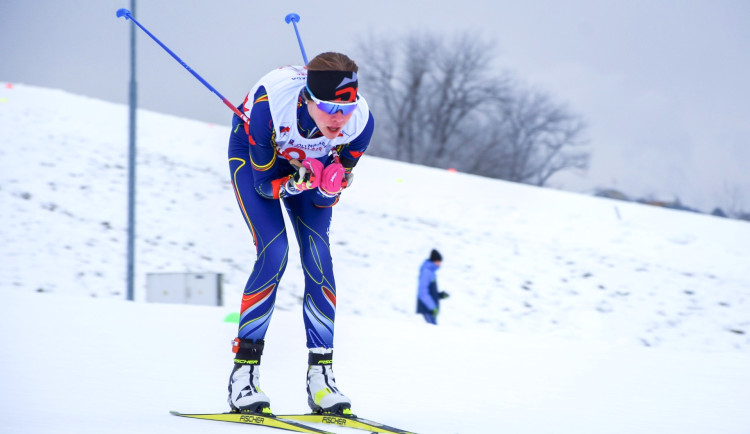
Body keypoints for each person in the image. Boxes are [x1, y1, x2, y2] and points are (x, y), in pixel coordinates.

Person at [226, 52, 374, 416]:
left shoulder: (361, 123)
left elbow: (331, 192)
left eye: (348, 107)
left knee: (318, 258)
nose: (340, 119)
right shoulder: (269, 104)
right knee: (275, 252)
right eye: (329, 108)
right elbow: (263, 185)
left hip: (309, 164)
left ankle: (321, 380)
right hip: (256, 159)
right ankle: (243, 375)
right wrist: (294, 183)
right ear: (308, 100)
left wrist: (327, 186)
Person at [416, 249, 450, 325]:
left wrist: (440, 295)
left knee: (433, 333)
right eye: (439, 261)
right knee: (433, 333)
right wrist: (432, 307)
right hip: (427, 309)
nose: (440, 264)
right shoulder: (426, 272)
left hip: (430, 310)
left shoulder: (431, 273)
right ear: (434, 261)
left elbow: (431, 292)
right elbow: (422, 293)